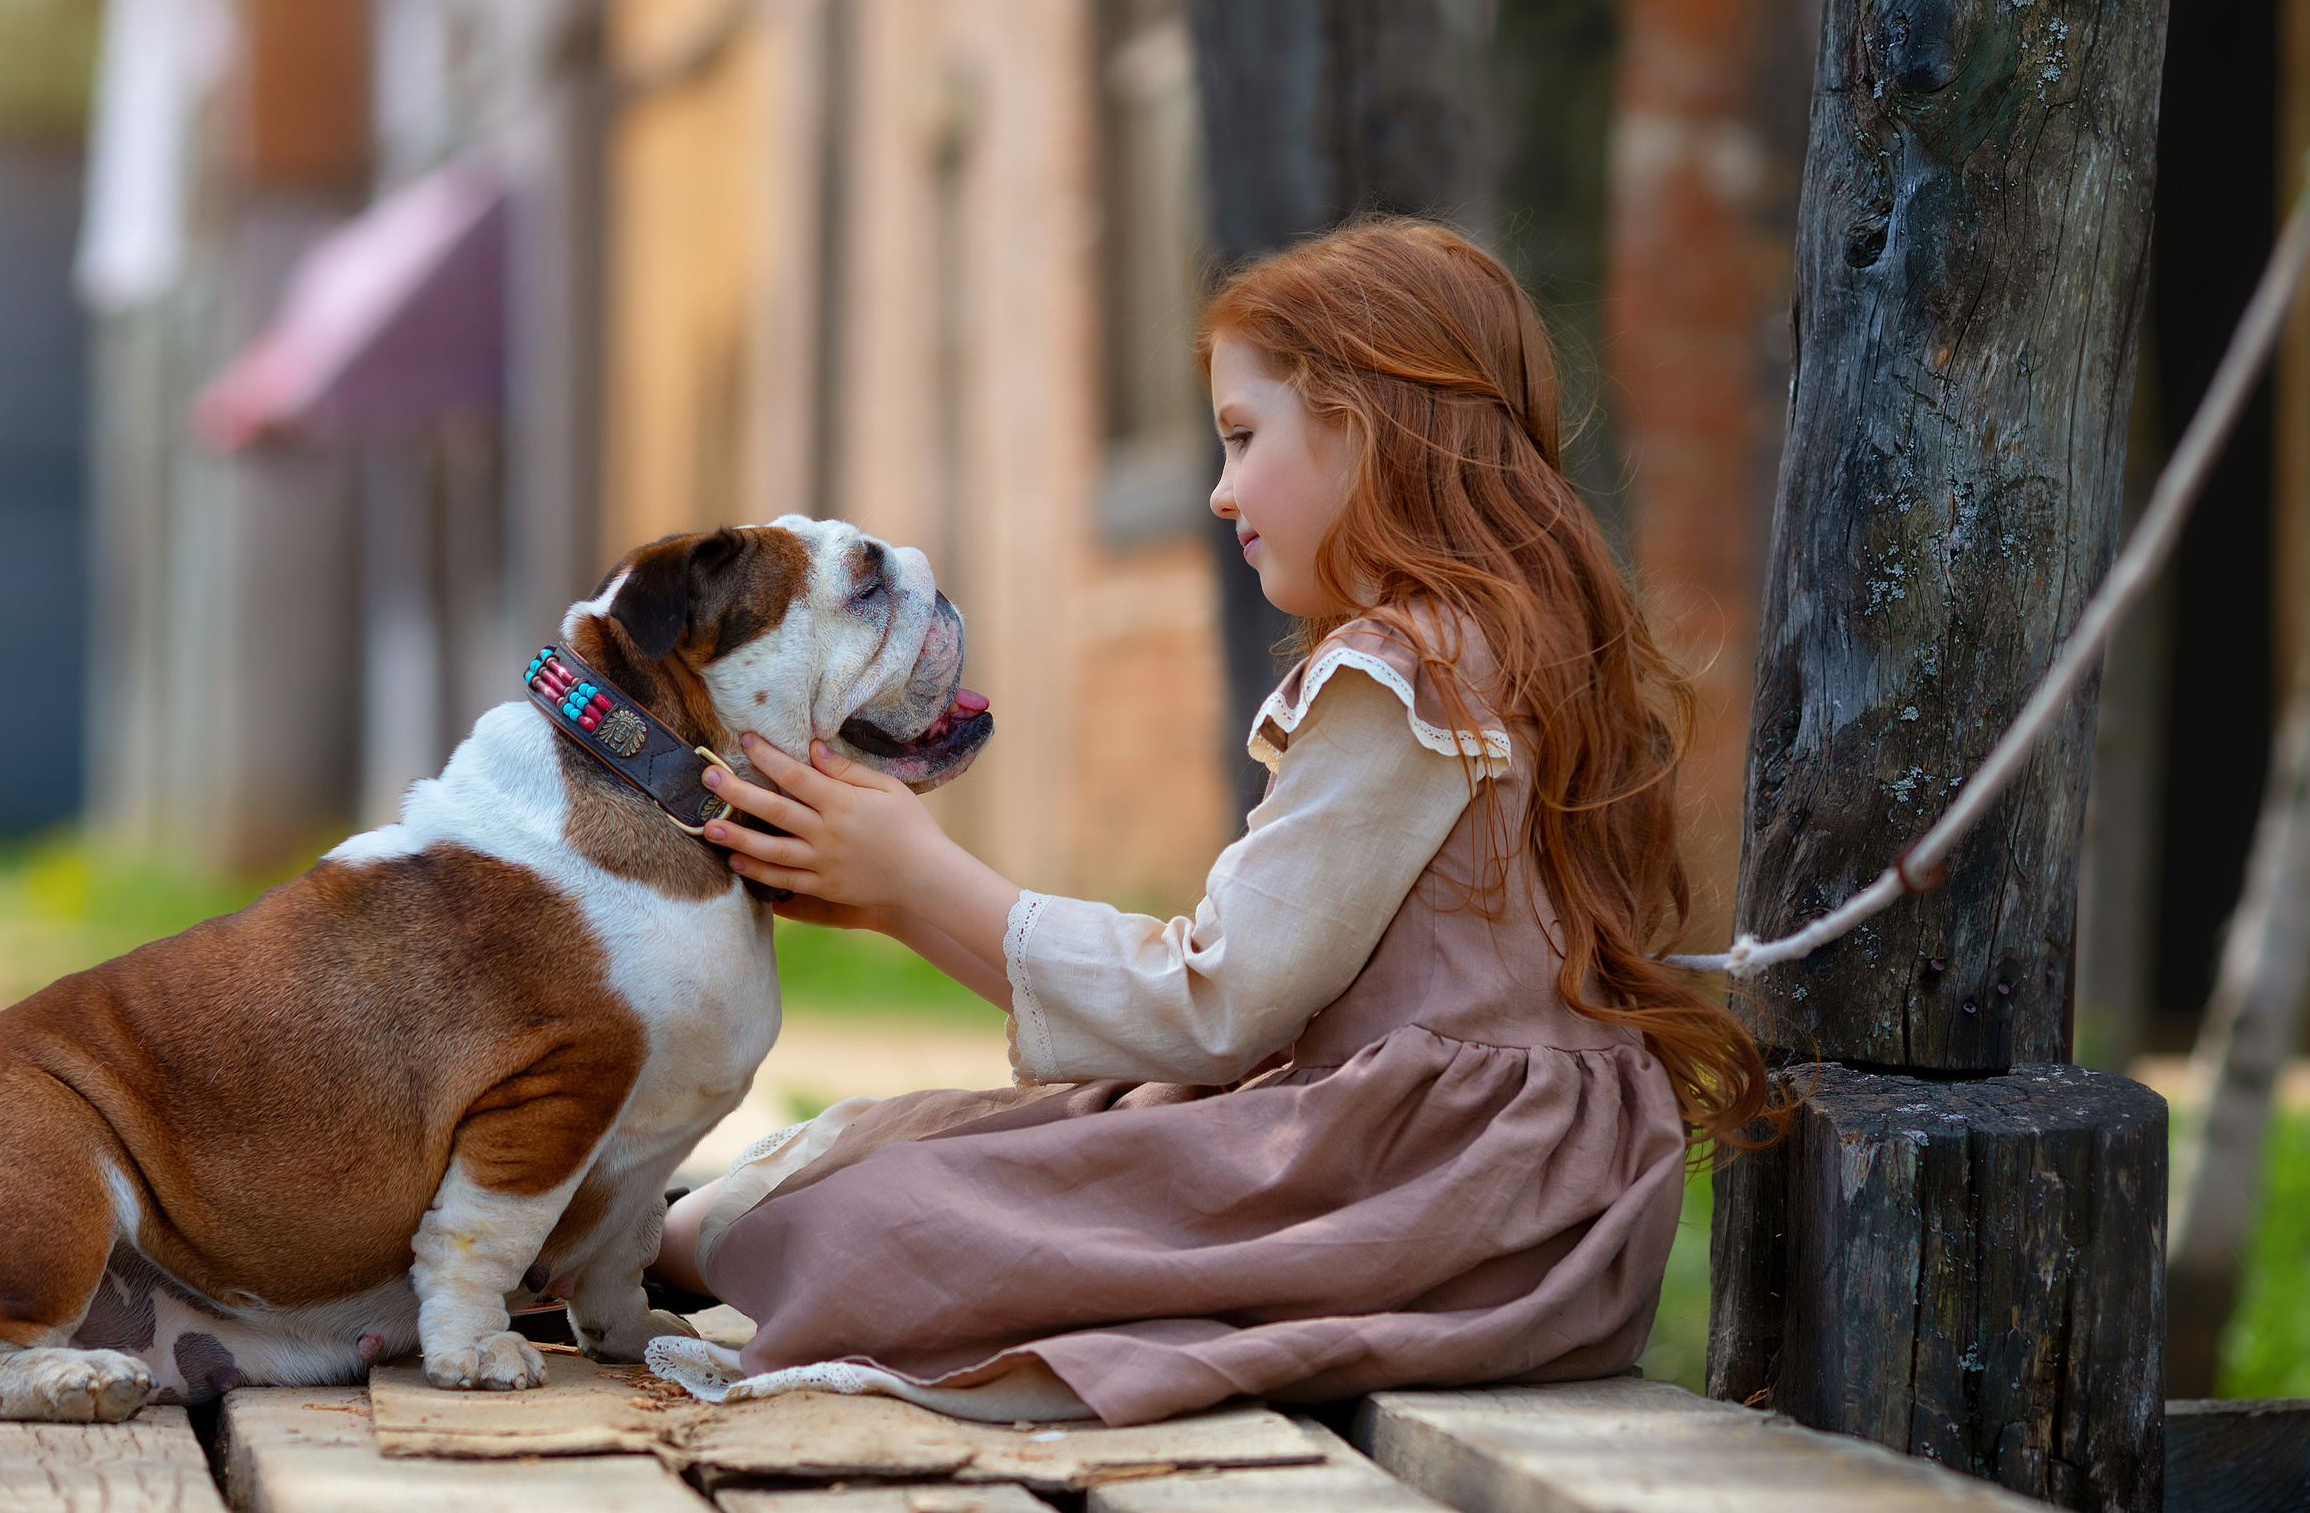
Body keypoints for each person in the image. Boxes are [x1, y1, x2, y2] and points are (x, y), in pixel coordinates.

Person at [643, 217, 1782, 1426]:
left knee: (848, 1218)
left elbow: (1216, 1003)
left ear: (1368, 421)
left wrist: (925, 876)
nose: (1220, 488)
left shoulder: (1404, 674)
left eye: (1245, 437)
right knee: (868, 1148)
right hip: (1483, 1189)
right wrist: (898, 902)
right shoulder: (1501, 650)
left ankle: (596, 1256)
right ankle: (631, 1243)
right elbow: (1232, 1015)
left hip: (1414, 1197)